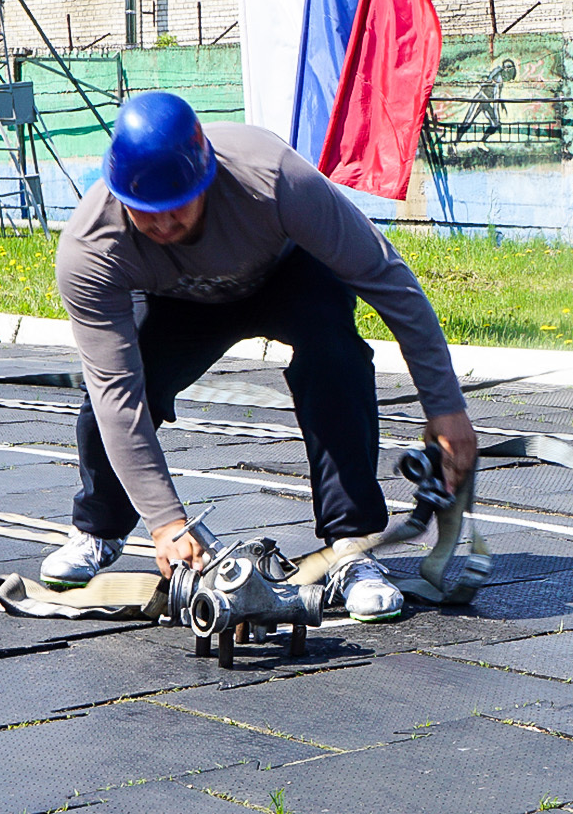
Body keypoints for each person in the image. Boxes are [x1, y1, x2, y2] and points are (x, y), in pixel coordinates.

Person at [40, 91, 479, 623]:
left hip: (285, 276)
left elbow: (388, 281)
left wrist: (446, 407)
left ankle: (351, 549)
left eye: (176, 206)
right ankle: (99, 528)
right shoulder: (91, 248)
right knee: (116, 387)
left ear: (206, 176)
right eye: (144, 212)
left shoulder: (273, 179)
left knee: (334, 356)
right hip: (175, 299)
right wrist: (165, 523)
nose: (160, 224)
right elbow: (117, 394)